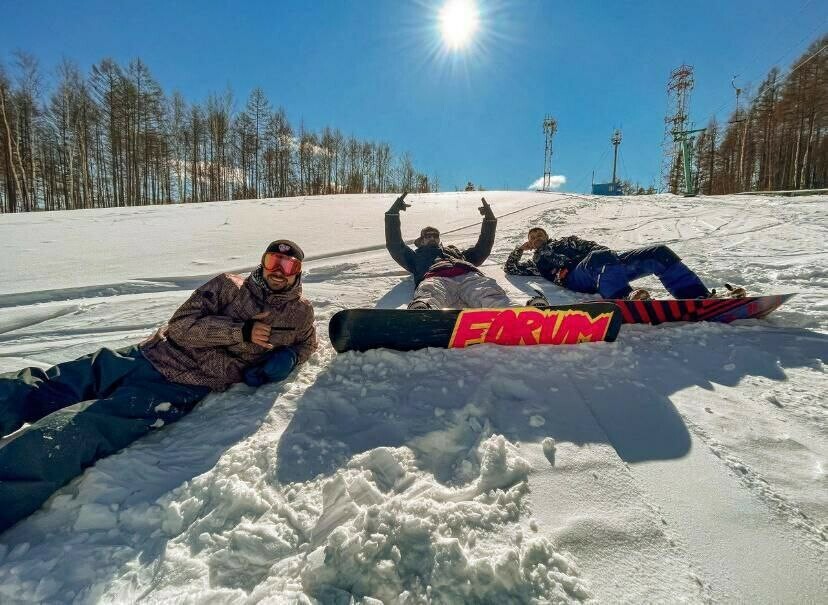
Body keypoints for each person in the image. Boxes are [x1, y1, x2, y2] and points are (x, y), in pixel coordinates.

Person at [0, 239, 316, 532]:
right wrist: (239, 332)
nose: (278, 271)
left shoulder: (300, 314)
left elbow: (307, 343)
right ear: (262, 263)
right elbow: (180, 328)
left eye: (288, 266)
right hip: (148, 353)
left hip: (177, 385)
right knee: (52, 382)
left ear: (298, 274)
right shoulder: (227, 286)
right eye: (273, 261)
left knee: (79, 428)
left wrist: (288, 358)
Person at [385, 193, 542, 310]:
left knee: (487, 291)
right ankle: (423, 311)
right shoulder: (416, 257)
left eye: (435, 235)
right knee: (431, 290)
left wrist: (489, 220)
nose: (432, 237)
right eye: (428, 235)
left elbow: (482, 248)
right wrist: (392, 214)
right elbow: (395, 245)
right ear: (421, 240)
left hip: (468, 276)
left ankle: (518, 313)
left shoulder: (456, 253)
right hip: (437, 277)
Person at [504, 227, 745, 300]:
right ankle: (624, 298)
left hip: (606, 266)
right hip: (578, 278)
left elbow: (594, 247)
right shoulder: (537, 261)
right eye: (532, 238)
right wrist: (518, 250)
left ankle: (698, 296)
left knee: (659, 252)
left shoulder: (568, 241)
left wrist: (610, 258)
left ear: (547, 236)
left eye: (540, 235)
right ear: (530, 244)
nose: (537, 239)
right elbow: (511, 268)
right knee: (599, 257)